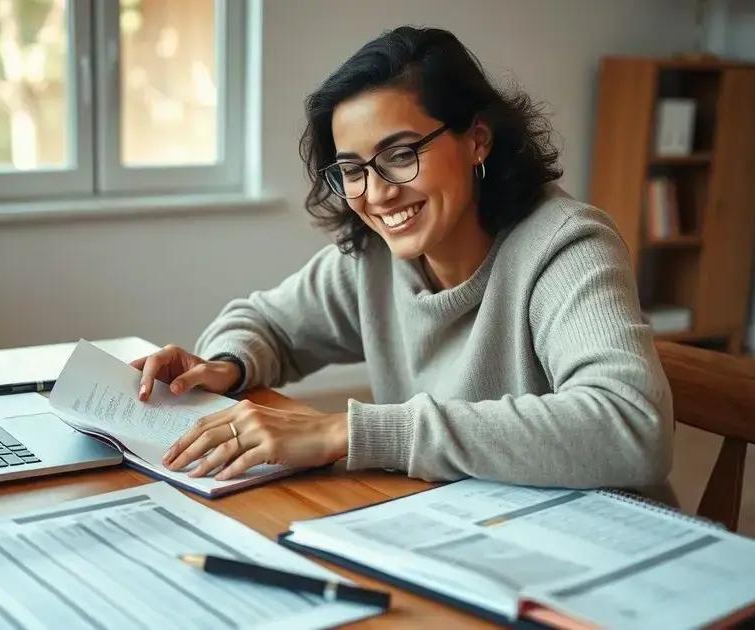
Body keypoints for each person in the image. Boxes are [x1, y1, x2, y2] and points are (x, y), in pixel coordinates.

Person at [130, 26, 672, 488]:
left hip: (594, 560)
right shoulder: (375, 258)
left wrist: (347, 431)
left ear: (477, 139)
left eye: (401, 154)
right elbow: (266, 321)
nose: (378, 192)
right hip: (455, 526)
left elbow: (631, 425)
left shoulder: (565, 246)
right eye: (352, 169)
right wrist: (224, 364)